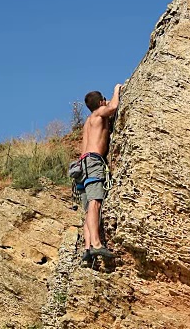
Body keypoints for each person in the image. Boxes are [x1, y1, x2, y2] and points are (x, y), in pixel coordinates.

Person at [79, 84, 122, 262]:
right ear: (101, 101)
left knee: (89, 207)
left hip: (82, 165)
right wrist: (117, 90)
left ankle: (88, 248)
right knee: (95, 203)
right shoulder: (98, 114)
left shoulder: (87, 123)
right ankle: (97, 245)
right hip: (94, 161)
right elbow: (113, 107)